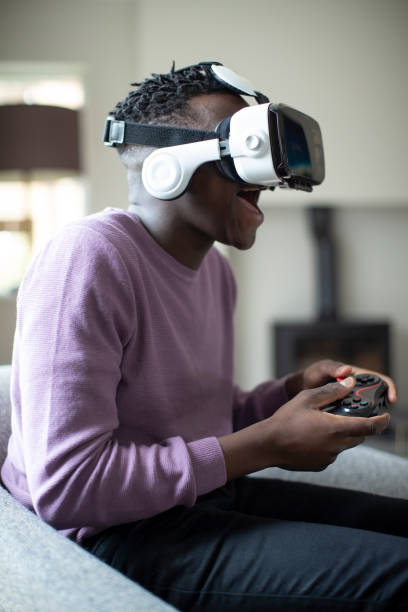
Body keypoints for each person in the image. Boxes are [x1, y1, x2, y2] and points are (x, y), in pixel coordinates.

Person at [1, 62, 408, 611]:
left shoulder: (214, 272)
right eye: (240, 151)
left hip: (201, 499)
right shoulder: (89, 258)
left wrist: (288, 392)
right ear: (168, 166)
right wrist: (267, 444)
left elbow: (203, 419)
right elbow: (68, 485)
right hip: (116, 534)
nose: (264, 180)